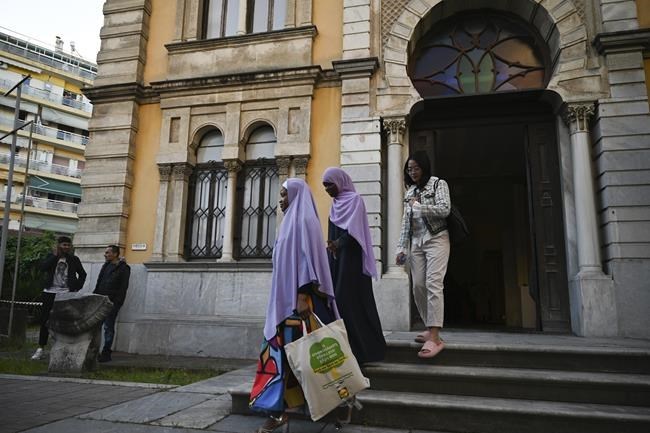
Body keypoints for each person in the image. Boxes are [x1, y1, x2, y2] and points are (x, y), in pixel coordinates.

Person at [250, 178, 339, 433]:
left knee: (305, 359)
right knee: (287, 359)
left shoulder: (305, 221)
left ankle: (322, 407)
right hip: (284, 304)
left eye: (284, 194)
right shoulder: (290, 220)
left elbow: (306, 260)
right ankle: (279, 412)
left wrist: (301, 295)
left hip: (299, 305)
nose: (281, 199)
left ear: (297, 194)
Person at [322, 167, 386, 364]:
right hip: (337, 262)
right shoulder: (335, 205)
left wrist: (338, 244)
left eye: (329, 185)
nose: (327, 190)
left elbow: (355, 232)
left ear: (340, 182)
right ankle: (349, 351)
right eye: (325, 187)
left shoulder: (355, 200)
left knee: (349, 302)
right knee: (337, 303)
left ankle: (367, 350)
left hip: (352, 264)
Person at [395, 151, 451, 359]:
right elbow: (405, 222)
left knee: (434, 283)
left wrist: (422, 208)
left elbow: (445, 209)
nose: (413, 172)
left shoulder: (438, 184)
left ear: (424, 167)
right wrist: (400, 248)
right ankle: (430, 326)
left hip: (437, 238)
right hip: (416, 242)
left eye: (416, 168)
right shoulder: (409, 191)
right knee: (418, 284)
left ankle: (435, 337)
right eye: (409, 169)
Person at [31, 235, 87, 360]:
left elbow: (83, 274)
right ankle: (41, 348)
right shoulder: (51, 257)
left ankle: (62, 347)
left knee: (65, 320)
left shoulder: (74, 259)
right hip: (49, 292)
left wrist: (76, 287)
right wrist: (56, 256)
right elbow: (43, 267)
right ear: (59, 246)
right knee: (45, 320)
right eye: (64, 245)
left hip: (65, 293)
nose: (66, 247)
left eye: (68, 245)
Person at [93, 245, 131, 362]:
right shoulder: (105, 266)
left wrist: (117, 302)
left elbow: (123, 287)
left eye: (108, 252)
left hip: (112, 301)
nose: (105, 254)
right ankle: (94, 350)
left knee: (108, 327)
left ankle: (106, 352)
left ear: (115, 254)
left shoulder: (124, 268)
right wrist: (95, 296)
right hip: (100, 300)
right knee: (96, 326)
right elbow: (99, 282)